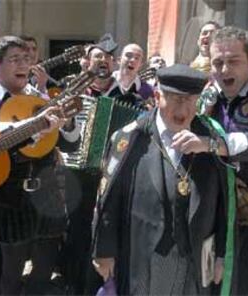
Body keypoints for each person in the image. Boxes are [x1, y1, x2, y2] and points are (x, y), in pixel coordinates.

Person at [92, 64, 230, 295]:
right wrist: (103, 251)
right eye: (175, 99)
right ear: (157, 96)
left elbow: (223, 203)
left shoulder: (211, 140)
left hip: (196, 257)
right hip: (143, 253)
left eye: (190, 100)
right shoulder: (130, 138)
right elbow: (108, 197)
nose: (183, 109)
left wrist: (222, 254)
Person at [0, 35, 80, 295]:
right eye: (14, 59)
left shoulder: (41, 99)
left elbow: (71, 145)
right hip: (5, 199)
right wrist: (34, 126)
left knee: (43, 273)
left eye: (27, 59)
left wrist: (69, 122)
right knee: (8, 276)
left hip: (46, 194)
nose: (23, 66)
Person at [208, 26, 248, 295]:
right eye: (217, 63)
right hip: (224, 214)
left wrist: (217, 145)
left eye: (232, 61)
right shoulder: (210, 96)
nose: (224, 70)